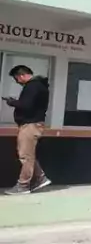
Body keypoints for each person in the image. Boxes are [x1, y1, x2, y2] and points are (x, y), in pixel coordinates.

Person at [3, 65, 51, 195]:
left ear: (21, 75)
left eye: (16, 79)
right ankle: (41, 178)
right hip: (32, 125)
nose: (17, 82)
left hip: (30, 125)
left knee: (25, 157)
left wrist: (12, 102)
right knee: (28, 154)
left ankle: (23, 185)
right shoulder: (38, 86)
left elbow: (26, 105)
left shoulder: (32, 86)